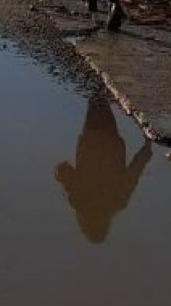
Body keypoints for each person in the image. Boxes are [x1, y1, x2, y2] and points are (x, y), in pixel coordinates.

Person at [55, 97, 152, 244]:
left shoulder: (116, 201)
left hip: (109, 141)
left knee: (99, 99)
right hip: (93, 140)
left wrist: (147, 148)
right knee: (97, 99)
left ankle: (98, 88)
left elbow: (134, 172)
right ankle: (97, 86)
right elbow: (63, 169)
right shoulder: (80, 199)